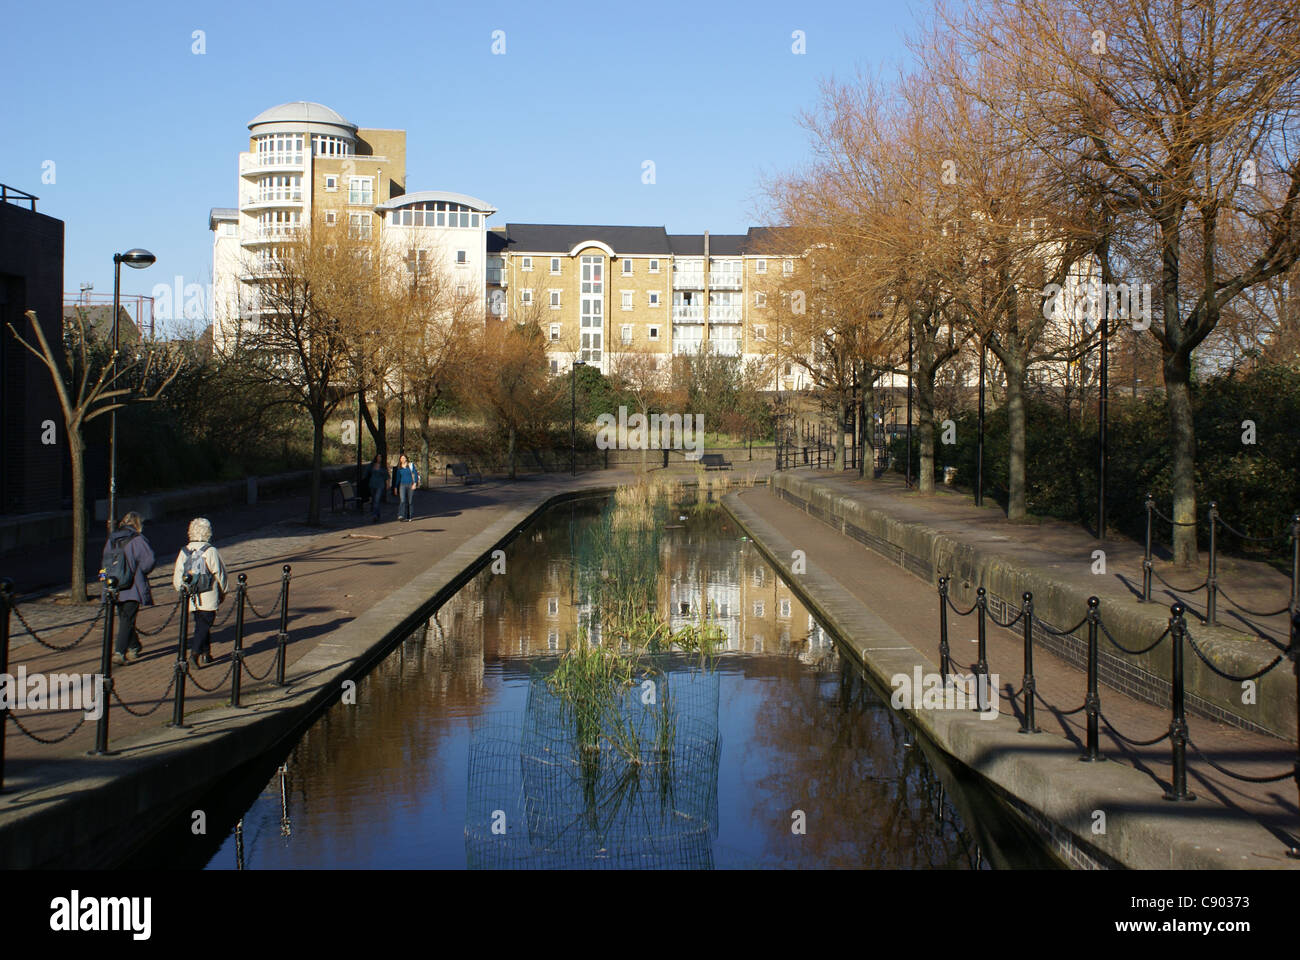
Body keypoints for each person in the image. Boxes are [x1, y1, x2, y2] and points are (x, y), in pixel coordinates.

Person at [172, 517, 229, 668]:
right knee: (204, 625)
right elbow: (219, 573)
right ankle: (195, 653)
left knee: (201, 624)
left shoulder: (185, 550)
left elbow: (178, 575)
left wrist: (182, 589)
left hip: (191, 594)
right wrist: (224, 590)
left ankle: (206, 653)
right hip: (208, 593)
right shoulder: (210, 551)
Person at [100, 511, 155, 666]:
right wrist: (140, 571)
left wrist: (105, 582)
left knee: (125, 618)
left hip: (114, 585)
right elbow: (149, 561)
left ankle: (134, 646)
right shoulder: (137, 540)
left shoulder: (112, 539)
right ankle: (119, 651)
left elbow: (105, 562)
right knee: (127, 619)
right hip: (132, 586)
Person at [391, 453, 419, 521]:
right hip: (402, 485)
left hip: (410, 485)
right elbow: (397, 478)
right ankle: (401, 515)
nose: (402, 459)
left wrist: (415, 483)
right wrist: (395, 487)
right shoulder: (399, 468)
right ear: (400, 460)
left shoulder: (410, 465)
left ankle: (409, 516)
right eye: (401, 458)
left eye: (403, 458)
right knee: (402, 500)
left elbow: (415, 474)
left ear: (406, 458)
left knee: (410, 501)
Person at [366, 454, 388, 523]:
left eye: (380, 457)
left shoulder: (383, 467)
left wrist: (387, 484)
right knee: (374, 500)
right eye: (378, 457)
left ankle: (374, 515)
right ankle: (378, 514)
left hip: (380, 485)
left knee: (377, 500)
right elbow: (367, 473)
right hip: (372, 484)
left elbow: (386, 476)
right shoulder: (371, 465)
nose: (379, 458)